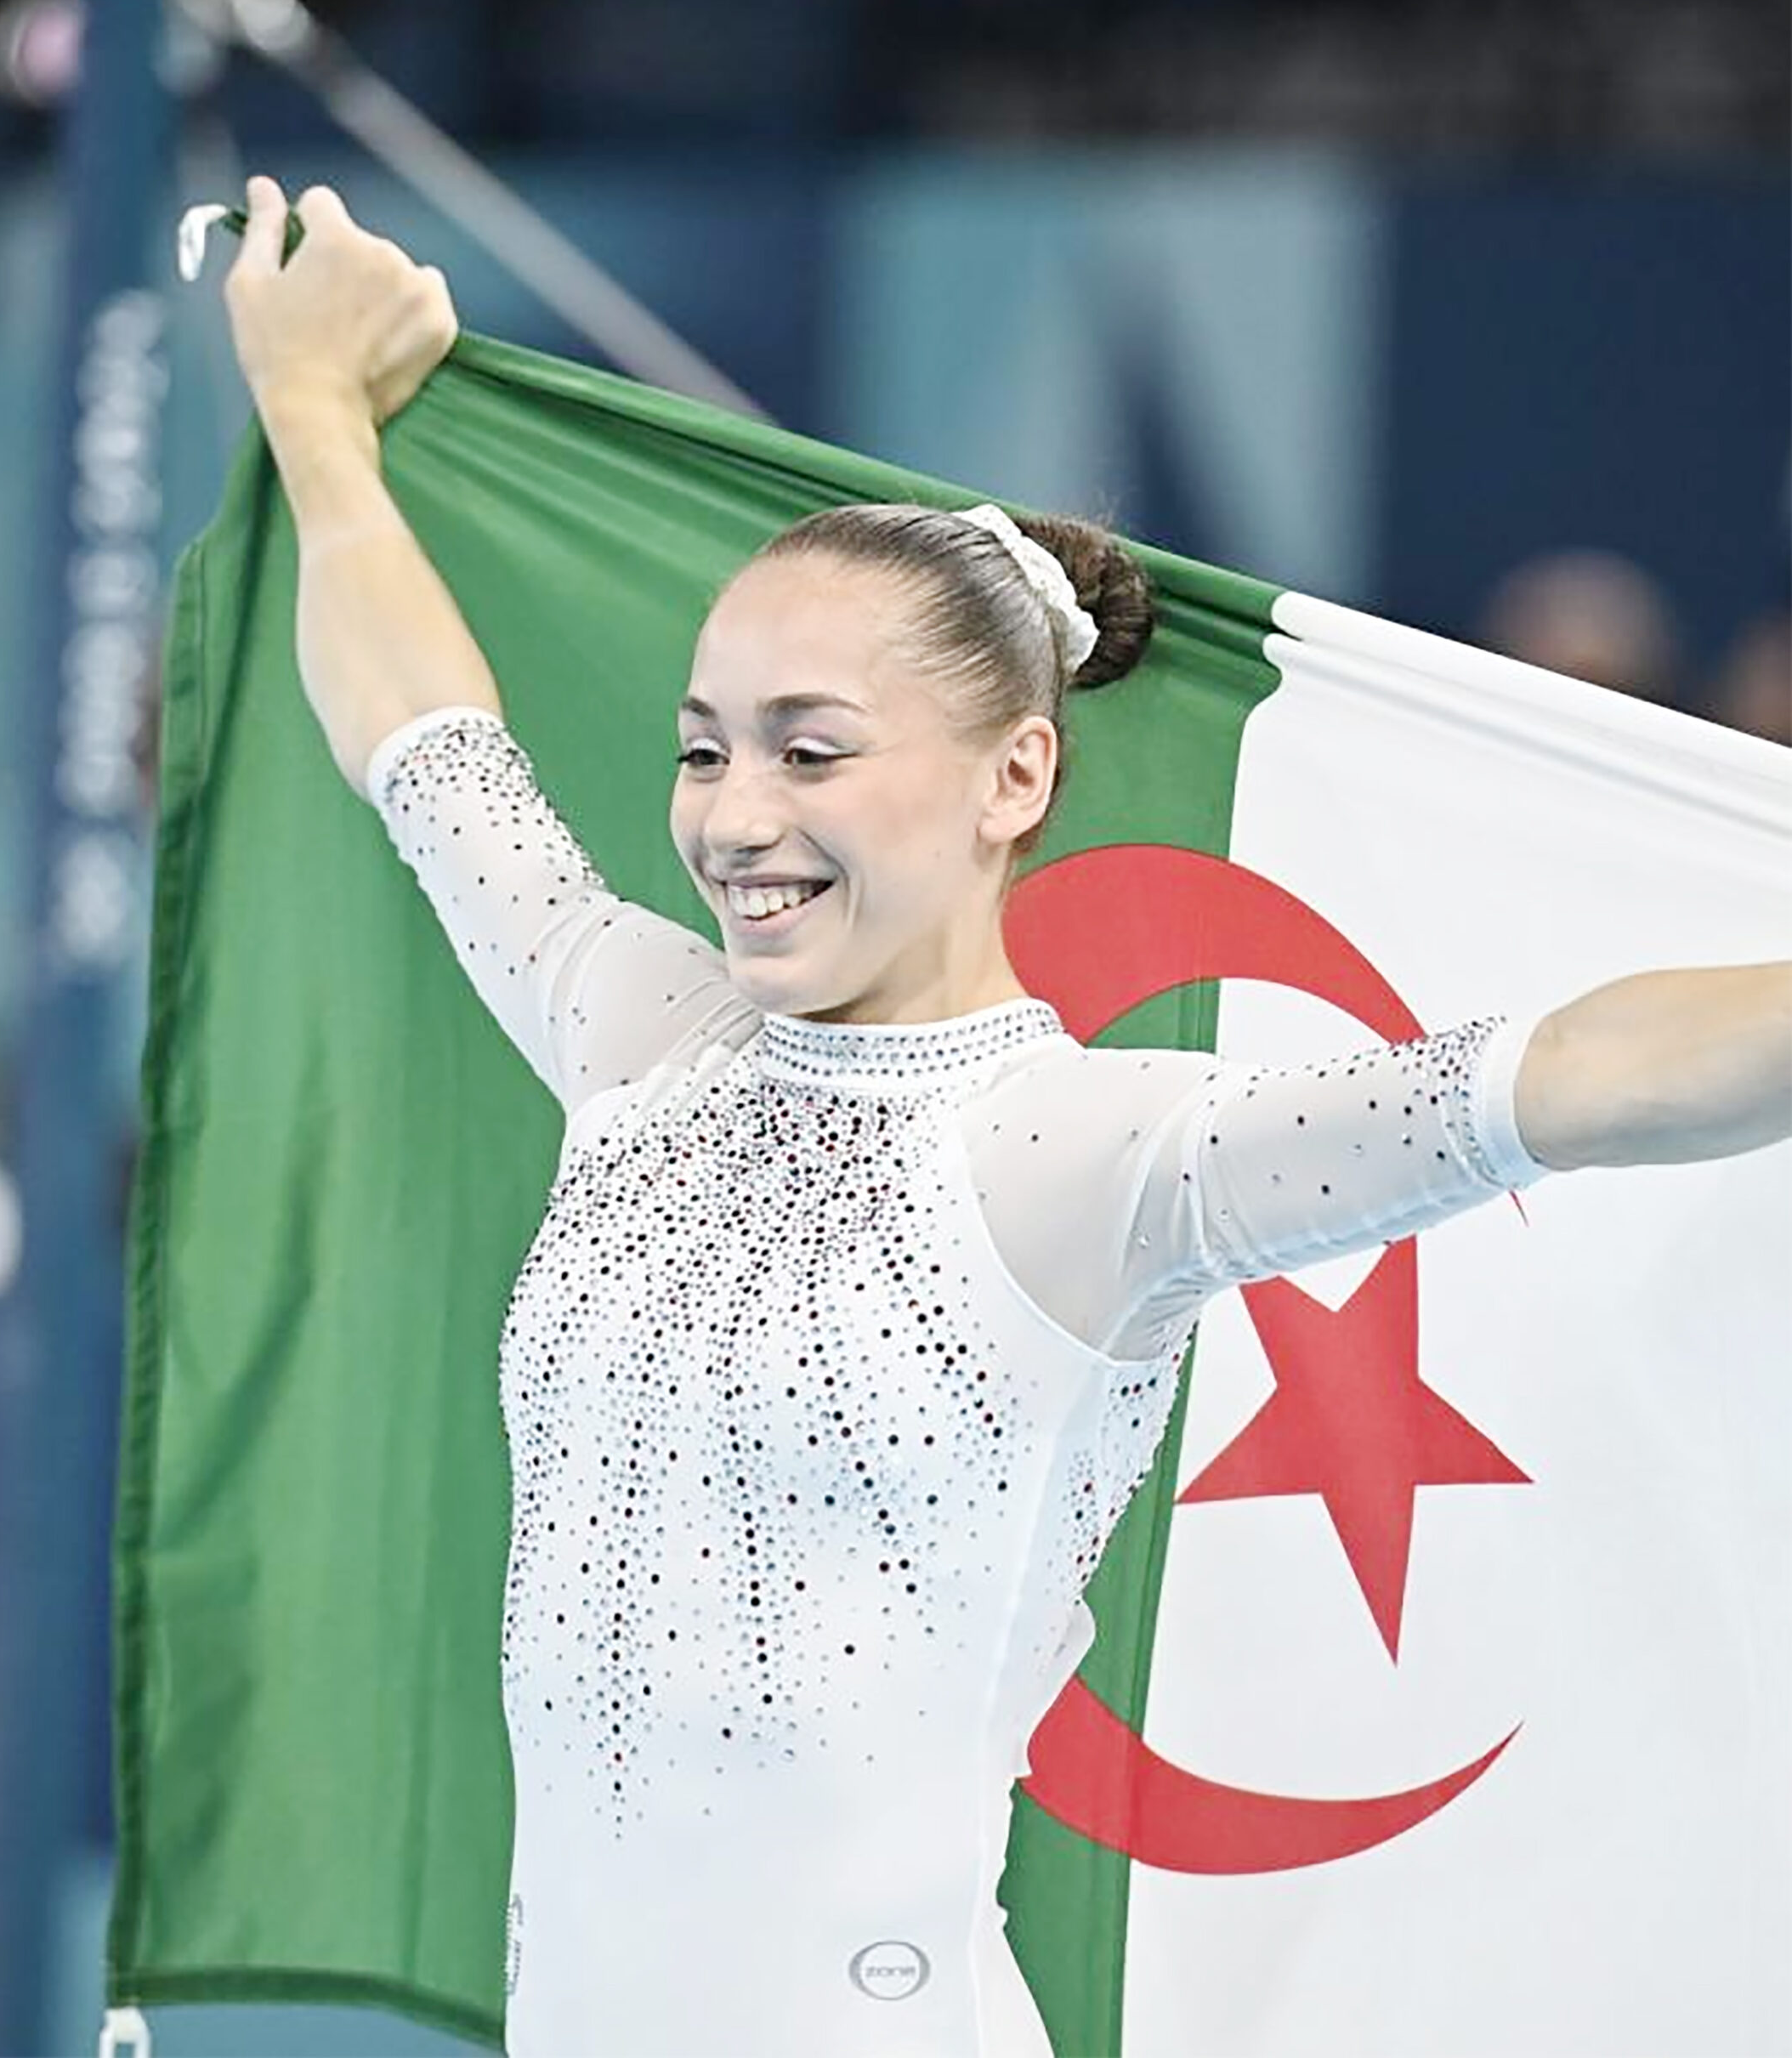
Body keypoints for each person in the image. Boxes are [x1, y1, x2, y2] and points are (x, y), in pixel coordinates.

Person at [218, 175, 1792, 2058]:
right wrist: (313, 412)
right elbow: (424, 749)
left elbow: (1580, 1075)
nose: (733, 816)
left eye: (811, 749)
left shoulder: (1087, 1157)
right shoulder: (643, 1038)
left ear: (1012, 776)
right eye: (704, 746)